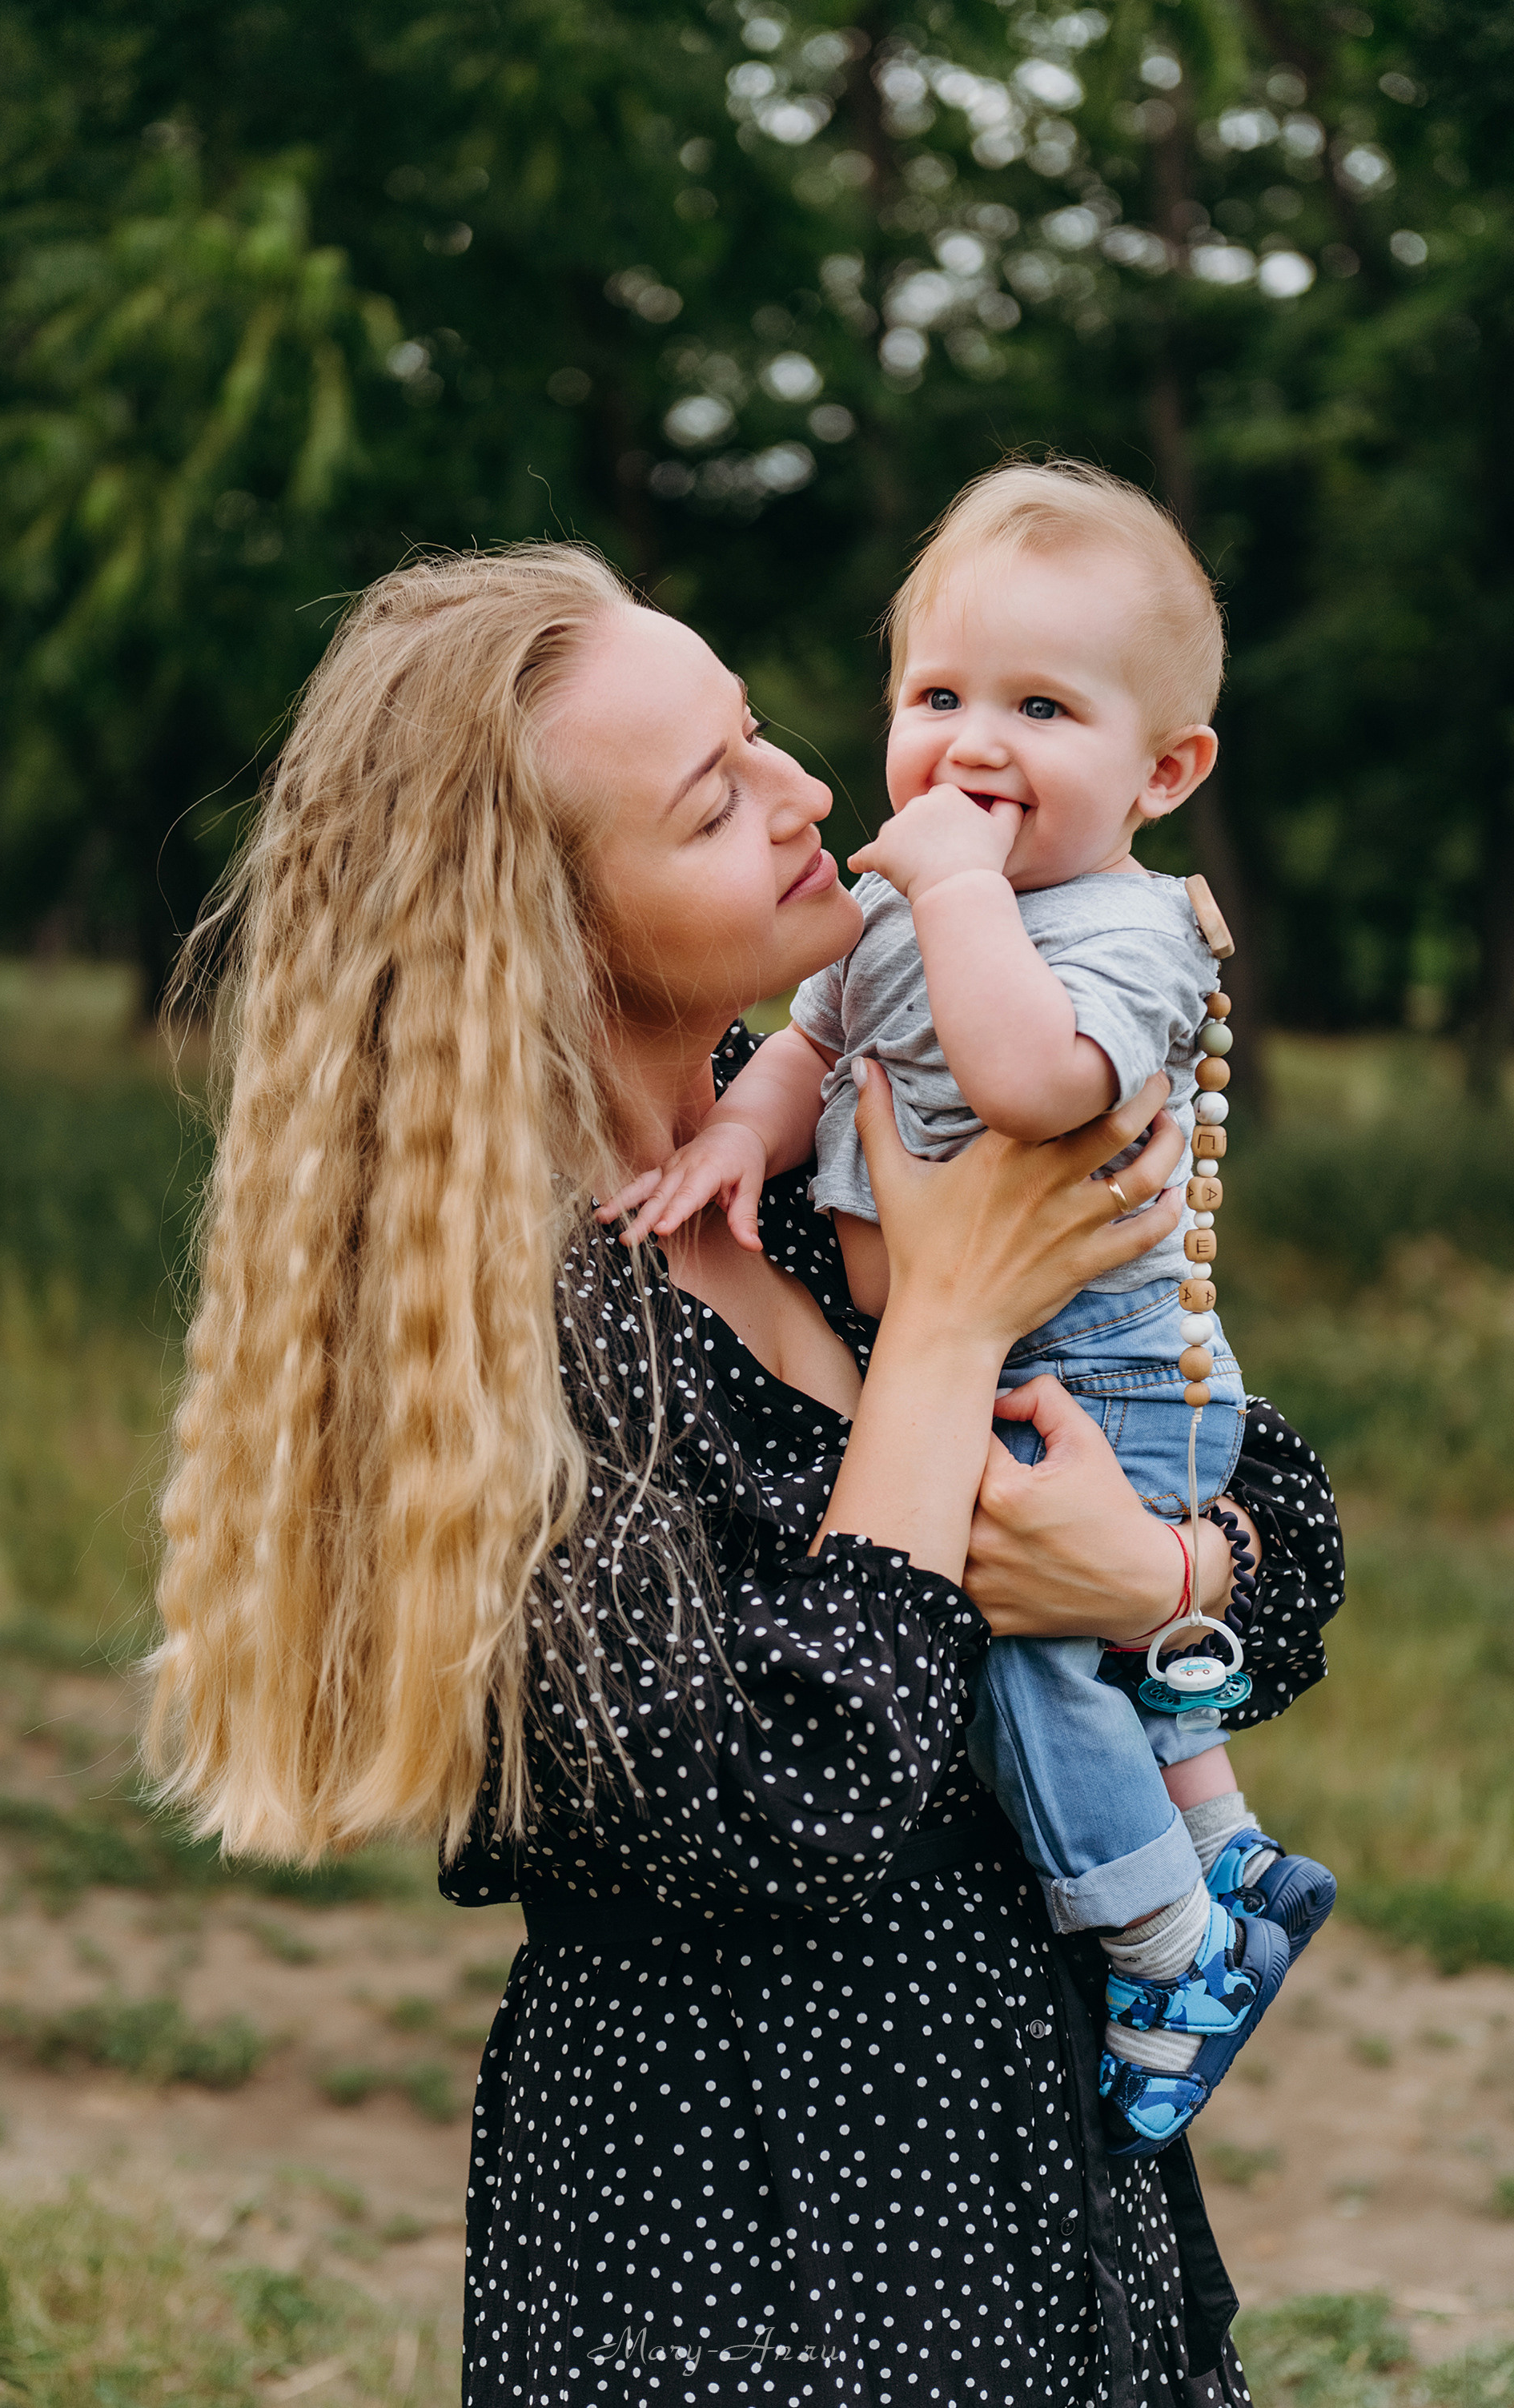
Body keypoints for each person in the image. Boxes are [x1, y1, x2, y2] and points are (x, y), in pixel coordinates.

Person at [147, 542, 1344, 2405]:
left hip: (1049, 2182)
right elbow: (784, 1805)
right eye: (712, 802)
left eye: (761, 732)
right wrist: (946, 1328)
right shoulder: (511, 1319)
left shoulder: (821, 1160)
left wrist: (1163, 1581)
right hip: (749, 2246)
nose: (811, 790)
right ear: (545, 925)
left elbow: (1275, 1515)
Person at [608, 462, 1338, 2161]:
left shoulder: (1126, 933)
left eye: (1041, 708)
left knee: (1026, 1664)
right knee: (1048, 1629)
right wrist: (741, 1133)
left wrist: (947, 893)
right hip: (998, 1361)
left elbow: (1029, 1085)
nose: (972, 745)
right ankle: (1221, 1850)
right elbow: (812, 1048)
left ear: (1164, 773)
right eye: (936, 698)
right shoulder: (888, 917)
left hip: (1102, 1372)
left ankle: (1169, 1941)